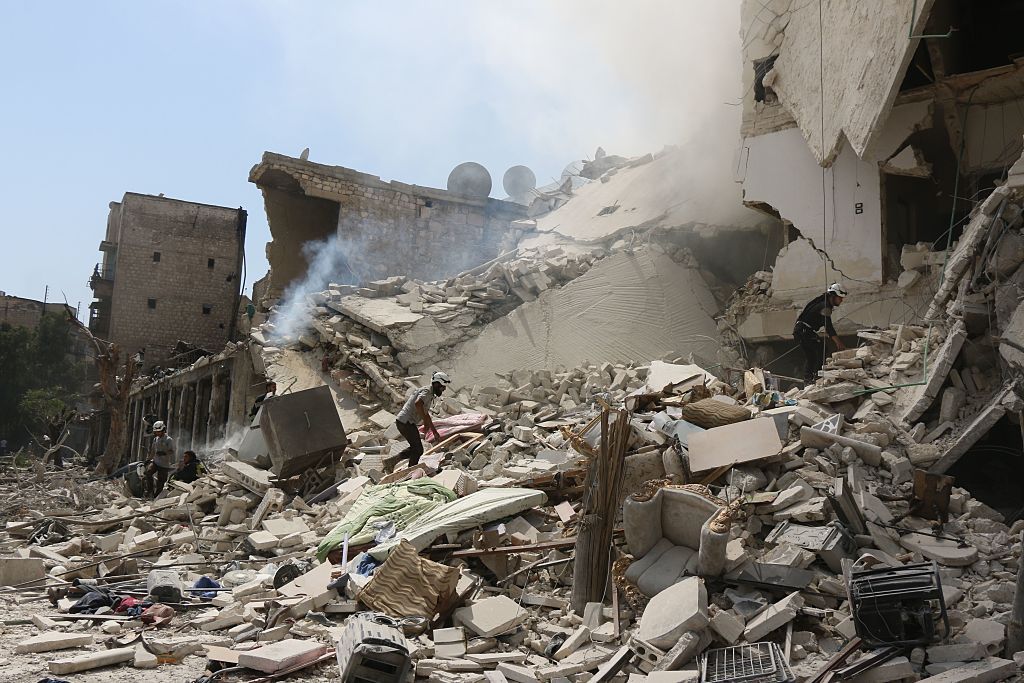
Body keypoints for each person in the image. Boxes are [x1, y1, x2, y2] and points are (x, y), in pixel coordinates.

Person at [390, 371, 451, 470]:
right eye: (442, 387)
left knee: (416, 448)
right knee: (418, 450)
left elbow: (426, 414)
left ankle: (394, 461)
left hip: (405, 422)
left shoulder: (429, 393)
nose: (443, 389)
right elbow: (418, 403)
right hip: (406, 422)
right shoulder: (427, 392)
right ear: (436, 384)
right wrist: (424, 420)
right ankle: (411, 471)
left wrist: (434, 431)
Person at [794, 283, 848, 383]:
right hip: (804, 330)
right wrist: (838, 343)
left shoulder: (822, 303)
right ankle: (817, 376)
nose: (841, 301)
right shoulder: (824, 306)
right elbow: (829, 327)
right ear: (833, 296)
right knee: (820, 349)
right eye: (839, 298)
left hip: (802, 330)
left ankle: (809, 377)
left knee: (812, 355)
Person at [144, 421, 176, 498]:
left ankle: (156, 497)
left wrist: (164, 453)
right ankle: (150, 491)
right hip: (155, 462)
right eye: (156, 432)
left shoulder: (169, 440)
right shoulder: (155, 439)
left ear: (163, 430)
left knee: (160, 482)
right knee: (148, 473)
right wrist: (148, 459)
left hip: (164, 464)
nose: (157, 433)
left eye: (159, 431)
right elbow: (153, 451)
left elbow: (172, 451)